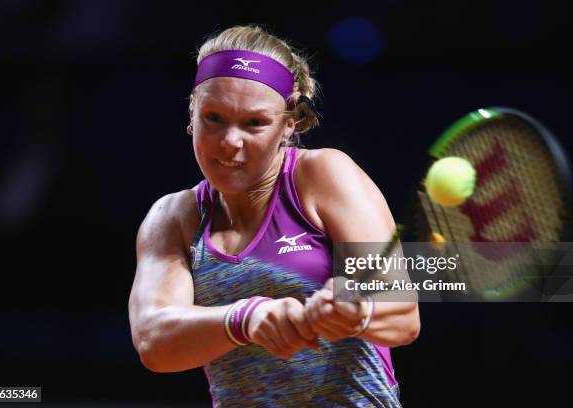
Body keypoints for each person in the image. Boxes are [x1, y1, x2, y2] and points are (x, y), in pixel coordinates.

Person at [128, 25, 420, 407]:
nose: (231, 141)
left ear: (288, 126)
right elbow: (154, 341)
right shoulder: (173, 218)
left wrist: (356, 311)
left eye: (255, 123)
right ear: (191, 113)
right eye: (214, 117)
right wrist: (244, 318)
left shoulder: (324, 175)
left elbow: (404, 315)